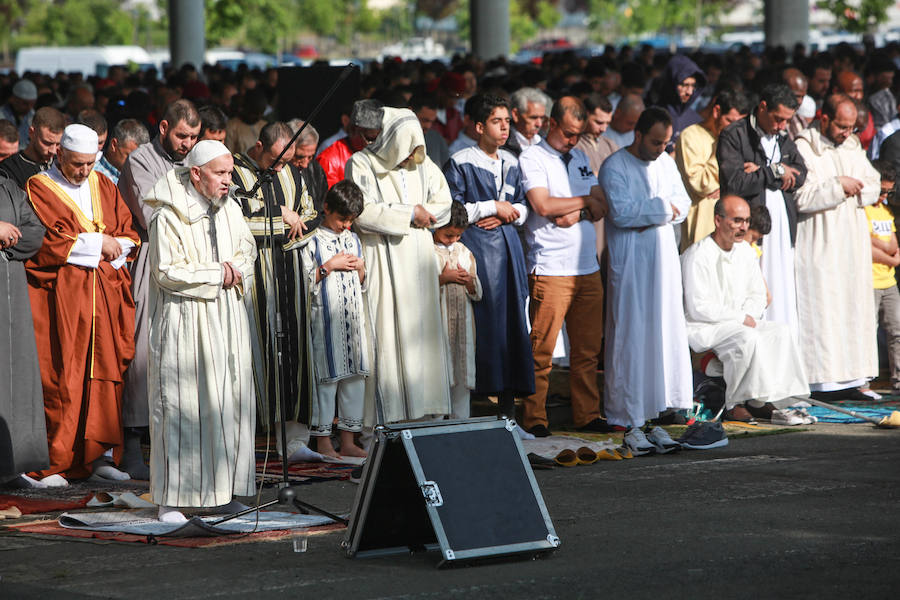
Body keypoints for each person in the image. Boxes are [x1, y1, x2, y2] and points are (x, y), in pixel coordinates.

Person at [143, 140, 257, 523]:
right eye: (220, 173)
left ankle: (222, 493)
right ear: (196, 173)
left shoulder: (231, 208)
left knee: (228, 402)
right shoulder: (168, 213)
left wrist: (235, 271)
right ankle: (172, 498)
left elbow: (248, 252)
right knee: (183, 405)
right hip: (185, 320)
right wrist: (218, 274)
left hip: (226, 315)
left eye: (230, 173)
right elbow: (166, 270)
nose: (229, 181)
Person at [25, 124, 140, 485]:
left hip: (105, 298)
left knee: (105, 375)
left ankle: (100, 455)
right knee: (62, 377)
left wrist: (116, 245)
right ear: (59, 154)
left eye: (90, 163)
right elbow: (43, 242)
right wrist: (97, 244)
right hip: (63, 299)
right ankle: (55, 461)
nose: (84, 171)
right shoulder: (39, 188)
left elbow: (127, 232)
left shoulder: (104, 184)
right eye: (77, 164)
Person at [345, 107, 454, 424]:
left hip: (418, 258)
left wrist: (426, 215)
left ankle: (425, 416)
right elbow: (362, 212)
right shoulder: (361, 163)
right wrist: (410, 215)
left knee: (422, 335)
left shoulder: (423, 164)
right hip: (383, 258)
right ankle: (384, 423)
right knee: (387, 333)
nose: (409, 158)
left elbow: (444, 201)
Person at [599, 107, 691, 455]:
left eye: (666, 143)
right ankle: (626, 416)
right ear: (637, 135)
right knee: (631, 336)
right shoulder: (615, 166)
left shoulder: (665, 162)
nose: (660, 149)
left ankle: (653, 414)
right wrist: (663, 210)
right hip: (632, 265)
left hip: (663, 264)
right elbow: (622, 214)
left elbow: (683, 202)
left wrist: (655, 210)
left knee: (661, 332)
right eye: (655, 142)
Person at [117, 98, 201, 479]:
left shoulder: (193, 159)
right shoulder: (140, 161)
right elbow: (155, 217)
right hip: (152, 260)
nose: (187, 143)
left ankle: (179, 446)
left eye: (194, 137)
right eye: (182, 135)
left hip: (194, 261)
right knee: (143, 355)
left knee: (183, 353)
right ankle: (132, 442)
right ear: (164, 127)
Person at [519, 97, 608, 437]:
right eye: (569, 133)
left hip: (587, 267)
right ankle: (534, 418)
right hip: (551, 267)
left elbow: (602, 206)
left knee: (587, 351)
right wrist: (584, 201)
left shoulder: (582, 156)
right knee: (541, 350)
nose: (573, 141)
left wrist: (578, 209)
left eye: (579, 134)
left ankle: (587, 414)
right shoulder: (533, 157)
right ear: (551, 124)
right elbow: (543, 204)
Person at [231, 122, 323, 448]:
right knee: (260, 350)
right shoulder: (234, 173)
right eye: (275, 160)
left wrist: (288, 225)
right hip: (255, 280)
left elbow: (311, 216)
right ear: (258, 146)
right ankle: (259, 435)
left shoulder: (293, 174)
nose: (281, 166)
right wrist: (280, 215)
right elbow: (237, 223)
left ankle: (295, 436)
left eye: (286, 160)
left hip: (292, 272)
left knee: (295, 351)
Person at [444, 94, 535, 420]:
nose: (504, 128)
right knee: (482, 326)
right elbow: (451, 208)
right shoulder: (461, 159)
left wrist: (510, 212)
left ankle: (509, 411)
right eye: (497, 122)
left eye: (507, 122)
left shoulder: (512, 160)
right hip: (478, 250)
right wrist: (490, 207)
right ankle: (473, 410)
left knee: (512, 324)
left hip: (509, 249)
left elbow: (525, 204)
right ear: (479, 126)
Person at [681, 195, 809, 423]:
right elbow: (699, 307)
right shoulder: (697, 256)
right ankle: (735, 403)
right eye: (737, 220)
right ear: (718, 220)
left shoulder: (746, 252)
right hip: (706, 327)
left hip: (740, 321)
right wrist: (740, 317)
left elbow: (758, 295)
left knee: (780, 332)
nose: (744, 227)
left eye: (747, 221)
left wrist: (747, 314)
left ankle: (764, 400)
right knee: (746, 338)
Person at [794, 94, 880, 402]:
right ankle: (822, 382)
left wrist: (856, 189)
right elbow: (801, 197)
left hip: (852, 241)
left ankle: (855, 379)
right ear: (824, 118)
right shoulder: (804, 146)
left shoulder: (853, 145)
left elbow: (873, 181)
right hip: (820, 239)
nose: (846, 132)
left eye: (851, 127)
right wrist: (838, 186)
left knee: (854, 306)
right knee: (823, 309)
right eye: (841, 126)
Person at [717, 83, 807, 339]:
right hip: (749, 231)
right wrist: (777, 172)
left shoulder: (783, 136)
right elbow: (735, 183)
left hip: (782, 230)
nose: (781, 126)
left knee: (782, 293)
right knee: (754, 294)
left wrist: (761, 172)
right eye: (778, 119)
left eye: (786, 121)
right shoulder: (734, 134)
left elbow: (801, 174)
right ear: (763, 107)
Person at [301, 180, 370, 458]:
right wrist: (329, 267)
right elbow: (305, 281)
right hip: (325, 324)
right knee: (326, 382)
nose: (345, 225)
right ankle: (323, 442)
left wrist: (361, 268)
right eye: (342, 219)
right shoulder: (313, 240)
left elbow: (363, 283)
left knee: (354, 380)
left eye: (351, 220)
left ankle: (349, 439)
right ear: (326, 208)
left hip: (352, 323)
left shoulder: (353, 239)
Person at [0, 174, 48, 489]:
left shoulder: (7, 186)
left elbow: (35, 232)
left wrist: (7, 245)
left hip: (11, 288)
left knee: (14, 380)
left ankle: (10, 466)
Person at [675, 88, 749, 251]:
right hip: (702, 227)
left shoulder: (741, 140)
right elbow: (701, 184)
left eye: (739, 124)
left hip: (734, 230)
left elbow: (746, 177)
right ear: (716, 111)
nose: (734, 129)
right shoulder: (690, 136)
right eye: (730, 121)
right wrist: (723, 146)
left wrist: (725, 187)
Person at [433, 201, 483, 419]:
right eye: (448, 235)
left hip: (463, 326)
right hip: (437, 328)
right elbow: (418, 288)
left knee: (462, 376)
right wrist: (444, 278)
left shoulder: (464, 252)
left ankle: (460, 425)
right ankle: (432, 426)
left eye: (457, 236)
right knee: (438, 376)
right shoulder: (427, 251)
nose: (453, 240)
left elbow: (477, 291)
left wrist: (469, 282)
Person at [866, 160, 900, 395]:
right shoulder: (864, 210)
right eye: (881, 191)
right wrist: (890, 257)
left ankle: (897, 379)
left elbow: (893, 243)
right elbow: (865, 242)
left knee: (896, 330)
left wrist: (889, 253)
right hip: (869, 281)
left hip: (889, 283)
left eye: (889, 192)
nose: (884, 196)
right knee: (867, 331)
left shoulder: (886, 211)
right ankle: (864, 380)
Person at [317, 99, 383, 189]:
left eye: (381, 139)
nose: (376, 145)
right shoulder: (330, 160)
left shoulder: (384, 154)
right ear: (352, 130)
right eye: (371, 139)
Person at [0, 106, 66, 189]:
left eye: (57, 144)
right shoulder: (10, 168)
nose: (53, 151)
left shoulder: (63, 164)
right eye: (46, 143)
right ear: (31, 133)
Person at [656, 54, 707, 149]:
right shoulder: (653, 117)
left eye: (693, 86)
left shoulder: (696, 121)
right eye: (684, 85)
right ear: (671, 83)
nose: (689, 92)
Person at [94, 119, 149, 184]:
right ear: (114, 145)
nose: (135, 164)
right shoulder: (93, 176)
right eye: (130, 157)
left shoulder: (142, 179)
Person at [575, 94, 618, 176]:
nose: (604, 129)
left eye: (608, 123)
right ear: (584, 115)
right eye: (599, 123)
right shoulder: (572, 144)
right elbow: (578, 175)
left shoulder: (610, 145)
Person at [502, 87, 549, 156]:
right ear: (516, 115)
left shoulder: (546, 140)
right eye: (533, 117)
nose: (539, 124)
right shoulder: (502, 144)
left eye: (542, 118)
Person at [411, 92, 450, 169]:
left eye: (432, 121)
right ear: (410, 112)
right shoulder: (397, 139)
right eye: (424, 120)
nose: (428, 126)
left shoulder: (437, 139)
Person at [0, 79, 37, 150]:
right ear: (13, 99)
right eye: (25, 103)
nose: (29, 107)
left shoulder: (33, 116)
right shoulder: (1, 114)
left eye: (32, 104)